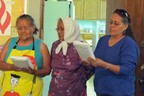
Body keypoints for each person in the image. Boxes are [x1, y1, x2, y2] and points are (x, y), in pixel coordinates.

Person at [87, 9, 140, 96]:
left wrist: (103, 64)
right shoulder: (103, 40)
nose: (111, 26)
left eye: (116, 23)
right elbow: (95, 61)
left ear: (125, 27)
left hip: (120, 92)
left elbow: (127, 69)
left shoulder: (128, 44)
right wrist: (89, 62)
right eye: (110, 22)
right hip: (100, 91)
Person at [0, 14, 51, 96]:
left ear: (33, 28)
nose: (22, 31)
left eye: (26, 28)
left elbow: (47, 70)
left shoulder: (41, 46)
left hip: (31, 91)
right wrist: (12, 67)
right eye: (19, 28)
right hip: (8, 91)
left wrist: (34, 72)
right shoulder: (10, 42)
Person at [48, 17, 94, 96]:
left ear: (71, 29)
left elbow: (91, 70)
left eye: (62, 29)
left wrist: (86, 65)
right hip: (55, 91)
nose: (59, 32)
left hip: (74, 91)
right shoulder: (55, 45)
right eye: (57, 29)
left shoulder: (80, 46)